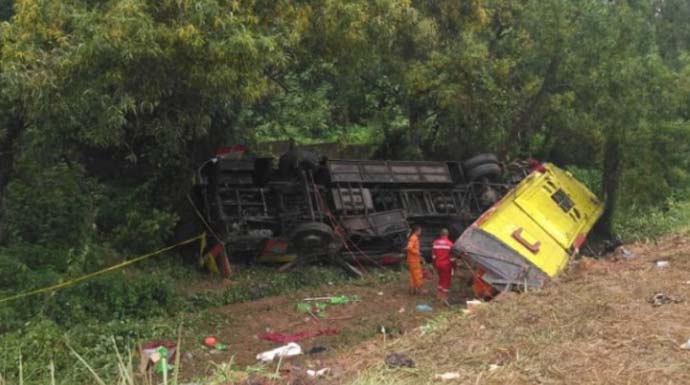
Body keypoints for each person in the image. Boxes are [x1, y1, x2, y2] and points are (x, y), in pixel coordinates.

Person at [432, 228, 454, 305]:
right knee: (446, 281)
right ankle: (444, 298)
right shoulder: (450, 244)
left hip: (438, 264)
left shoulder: (435, 243)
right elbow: (451, 258)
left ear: (440, 234)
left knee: (441, 279)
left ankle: (439, 295)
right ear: (447, 235)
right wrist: (454, 266)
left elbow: (433, 256)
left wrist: (434, 265)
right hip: (446, 265)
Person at [406, 225, 424, 295]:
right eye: (420, 231)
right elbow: (409, 248)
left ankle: (412, 290)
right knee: (418, 275)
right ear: (417, 231)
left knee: (412, 275)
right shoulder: (414, 238)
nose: (420, 232)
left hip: (412, 260)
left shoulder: (413, 237)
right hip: (414, 261)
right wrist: (417, 252)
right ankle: (420, 290)